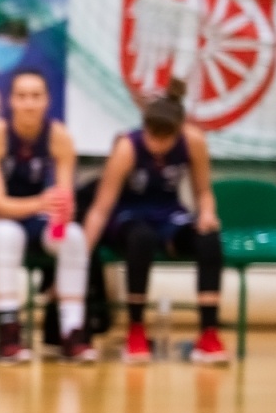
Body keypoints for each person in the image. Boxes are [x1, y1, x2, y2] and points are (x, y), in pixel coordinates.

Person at [82, 79, 227, 365]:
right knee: (142, 238)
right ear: (144, 126)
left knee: (209, 239)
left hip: (168, 214)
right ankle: (136, 330)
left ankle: (208, 334)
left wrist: (208, 213)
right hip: (128, 217)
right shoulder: (127, 147)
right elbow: (100, 208)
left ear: (178, 131)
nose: (158, 144)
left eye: (166, 138)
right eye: (153, 136)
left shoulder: (194, 141)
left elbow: (204, 193)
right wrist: (79, 256)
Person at [0, 70, 93, 364]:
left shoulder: (59, 137)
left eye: (36, 96)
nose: (29, 103)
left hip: (37, 217)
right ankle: (8, 330)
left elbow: (64, 200)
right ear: (10, 101)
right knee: (8, 236)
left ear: (47, 101)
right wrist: (42, 202)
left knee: (74, 237)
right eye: (22, 96)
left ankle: (71, 331)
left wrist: (60, 214)